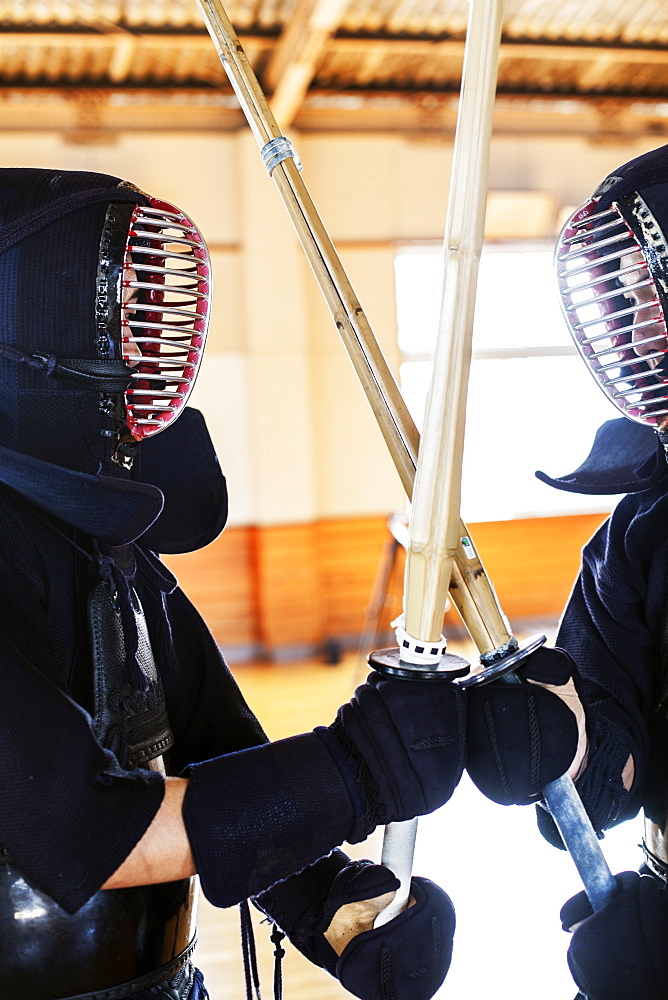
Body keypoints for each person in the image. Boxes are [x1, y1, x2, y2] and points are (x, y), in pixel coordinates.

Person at [0, 167, 468, 1000]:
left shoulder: (114, 554)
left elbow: (218, 746)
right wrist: (353, 773)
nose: (143, 350)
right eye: (115, 318)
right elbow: (83, 829)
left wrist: (318, 894)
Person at [462, 143, 668, 1000]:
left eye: (648, 291)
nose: (637, 324)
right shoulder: (642, 533)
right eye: (625, 299)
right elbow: (622, 755)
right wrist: (565, 742)